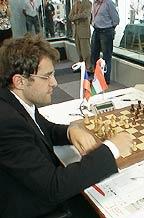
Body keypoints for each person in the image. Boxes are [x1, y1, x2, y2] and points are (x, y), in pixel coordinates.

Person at [0, 35, 133, 218]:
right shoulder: (7, 122)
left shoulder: (15, 101)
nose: (54, 82)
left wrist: (71, 131)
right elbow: (54, 187)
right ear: (20, 81)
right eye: (47, 76)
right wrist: (112, 148)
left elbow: (43, 128)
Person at [91, 0, 119, 84]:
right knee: (93, 55)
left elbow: (116, 20)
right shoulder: (94, 3)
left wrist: (110, 29)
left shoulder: (109, 3)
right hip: (96, 31)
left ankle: (105, 80)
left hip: (106, 31)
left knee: (106, 57)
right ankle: (96, 77)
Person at [69, 0, 92, 67]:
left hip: (84, 31)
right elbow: (70, 16)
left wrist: (75, 17)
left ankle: (89, 67)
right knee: (79, 51)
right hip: (76, 32)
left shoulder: (88, 3)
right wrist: (77, 17)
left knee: (86, 52)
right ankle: (82, 67)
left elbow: (85, 15)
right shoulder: (75, 4)